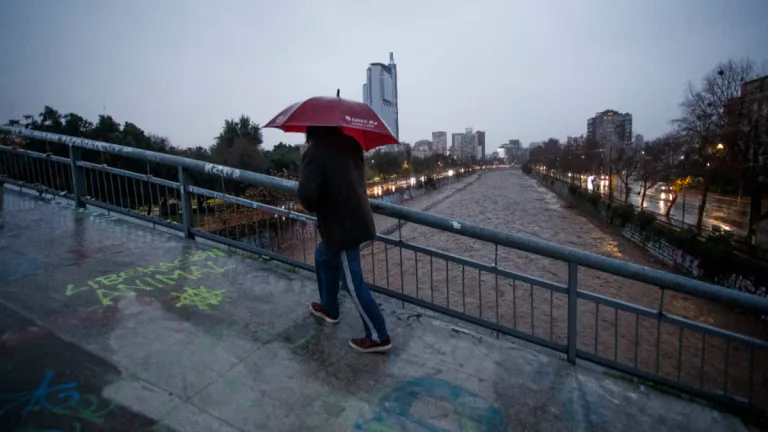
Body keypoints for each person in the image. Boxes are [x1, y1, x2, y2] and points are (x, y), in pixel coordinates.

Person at [297, 126, 391, 353]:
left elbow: (308, 197)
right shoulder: (351, 145)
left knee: (352, 281)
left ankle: (379, 336)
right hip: (356, 218)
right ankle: (329, 308)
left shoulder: (315, 153)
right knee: (322, 255)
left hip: (342, 228)